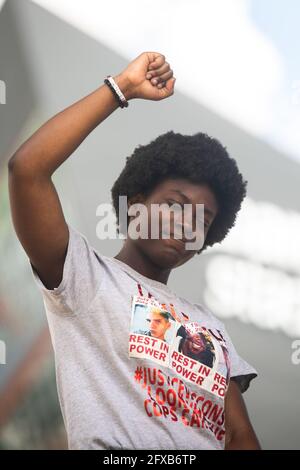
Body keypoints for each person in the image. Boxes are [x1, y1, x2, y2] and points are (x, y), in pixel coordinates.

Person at [8, 51, 261, 450]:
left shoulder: (213, 329)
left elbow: (240, 436)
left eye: (203, 219)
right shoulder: (83, 277)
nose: (186, 224)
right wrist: (121, 88)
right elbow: (27, 170)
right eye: (176, 204)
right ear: (137, 203)